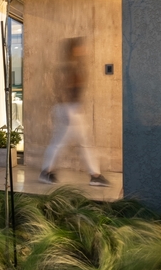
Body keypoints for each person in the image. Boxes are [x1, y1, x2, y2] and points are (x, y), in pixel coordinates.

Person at [39, 37, 109, 187]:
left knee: (74, 143)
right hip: (68, 109)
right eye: (80, 47)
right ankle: (93, 175)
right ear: (74, 50)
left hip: (72, 108)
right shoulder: (69, 67)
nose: (83, 50)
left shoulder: (75, 65)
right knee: (69, 143)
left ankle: (48, 172)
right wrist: (68, 110)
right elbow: (62, 88)